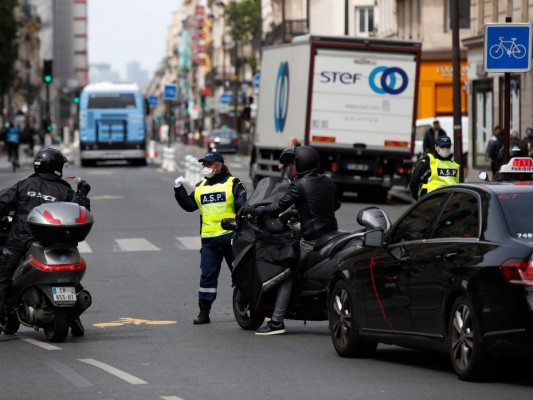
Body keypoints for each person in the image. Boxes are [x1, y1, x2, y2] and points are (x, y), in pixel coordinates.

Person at [251, 146, 341, 335]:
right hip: (332, 234)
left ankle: (276, 322)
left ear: (300, 164)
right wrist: (302, 211)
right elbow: (335, 205)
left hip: (312, 240)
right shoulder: (327, 181)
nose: (290, 168)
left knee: (287, 273)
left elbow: (278, 206)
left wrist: (260, 210)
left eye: (292, 164)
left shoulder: (299, 185)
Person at [0, 148, 91, 330]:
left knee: (2, 278)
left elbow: (2, 203)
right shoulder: (65, 191)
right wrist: (83, 196)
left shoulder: (24, 185)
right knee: (73, 280)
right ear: (57, 167)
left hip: (21, 241)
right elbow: (81, 213)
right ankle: (74, 318)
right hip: (58, 245)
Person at [173, 151, 247, 325]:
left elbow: (243, 208)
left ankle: (248, 306)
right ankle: (204, 312)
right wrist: (179, 190)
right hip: (209, 242)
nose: (205, 168)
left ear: (219, 166)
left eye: (208, 165)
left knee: (240, 274)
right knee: (207, 277)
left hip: (231, 240)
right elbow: (190, 206)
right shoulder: (200, 187)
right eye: (204, 165)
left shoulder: (233, 184)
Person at [409, 135, 460, 201]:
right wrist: (420, 201)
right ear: (436, 147)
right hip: (430, 203)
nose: (446, 149)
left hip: (449, 204)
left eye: (448, 146)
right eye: (442, 146)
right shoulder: (428, 162)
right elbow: (414, 183)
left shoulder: (454, 165)